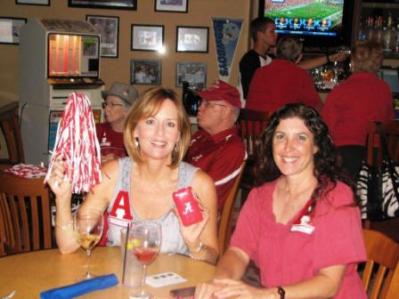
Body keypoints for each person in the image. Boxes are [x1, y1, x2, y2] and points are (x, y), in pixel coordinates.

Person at [195, 103, 367, 299]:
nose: (288, 147)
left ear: (316, 146)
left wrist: (266, 295)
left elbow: (329, 284)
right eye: (280, 136)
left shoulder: (336, 196)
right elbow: (238, 252)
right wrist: (220, 284)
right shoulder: (260, 197)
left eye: (301, 138)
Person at [48, 87, 219, 264]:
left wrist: (195, 245)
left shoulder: (199, 185)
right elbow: (69, 244)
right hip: (121, 285)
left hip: (173, 288)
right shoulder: (112, 174)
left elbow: (212, 257)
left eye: (170, 124)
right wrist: (62, 198)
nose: (160, 133)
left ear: (178, 135)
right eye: (151, 122)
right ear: (135, 129)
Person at [322, 40, 394, 180]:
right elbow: (388, 122)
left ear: (353, 63)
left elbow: (325, 127)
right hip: (376, 158)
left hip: (344, 158)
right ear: (378, 64)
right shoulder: (384, 89)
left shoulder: (341, 90)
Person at [239, 17, 347, 101]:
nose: (276, 34)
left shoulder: (270, 59)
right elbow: (248, 94)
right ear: (260, 35)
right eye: (272, 31)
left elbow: (296, 67)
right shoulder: (249, 60)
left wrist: (330, 58)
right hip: (254, 117)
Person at [185, 80, 245, 211]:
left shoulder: (232, 148)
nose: (200, 108)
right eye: (201, 102)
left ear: (225, 112)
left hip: (195, 217)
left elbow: (204, 197)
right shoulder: (201, 136)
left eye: (207, 104)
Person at [246, 37, 322, 113]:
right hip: (279, 123)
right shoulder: (301, 75)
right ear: (299, 57)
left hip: (252, 123)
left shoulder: (259, 72)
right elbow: (316, 106)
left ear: (275, 51)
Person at [96, 82, 139, 163]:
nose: (106, 109)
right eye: (106, 104)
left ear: (128, 110)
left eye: (112, 104)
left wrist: (119, 162)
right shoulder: (96, 130)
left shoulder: (138, 135)